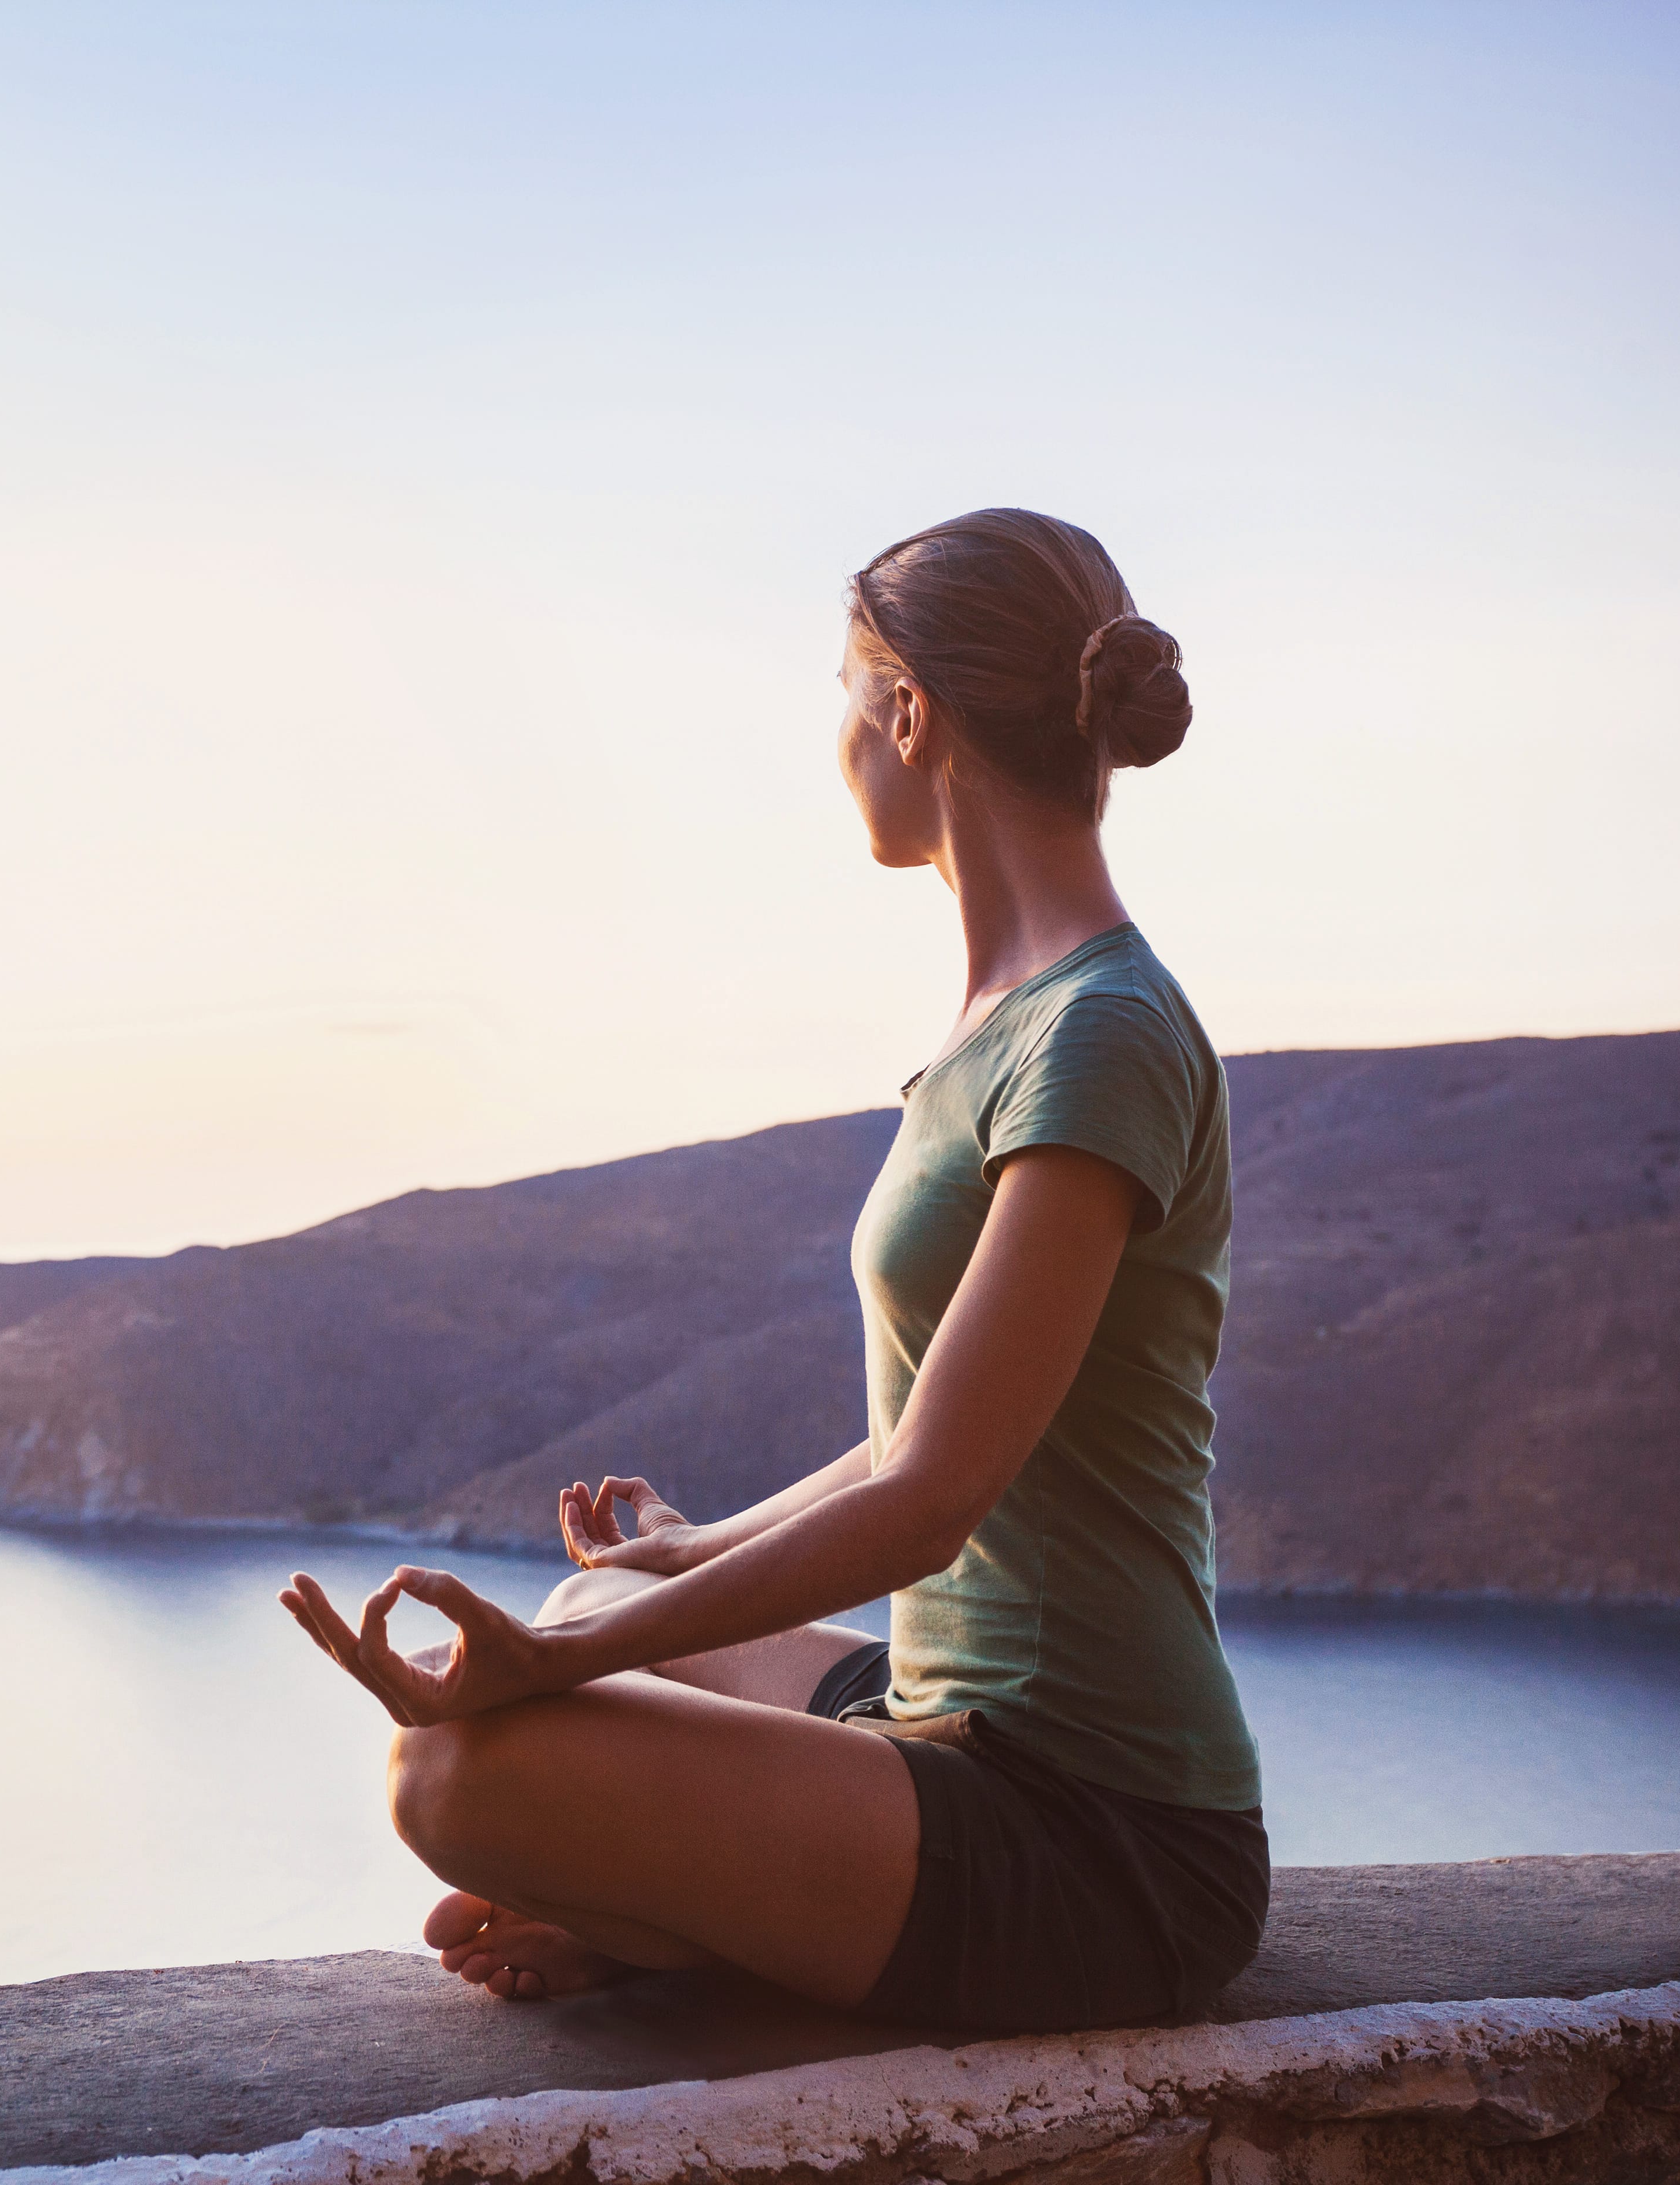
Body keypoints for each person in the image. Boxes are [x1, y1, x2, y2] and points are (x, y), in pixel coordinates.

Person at [281, 508, 1266, 2035]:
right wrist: (691, 1557)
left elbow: (936, 1496)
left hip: (1103, 1832)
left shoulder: (1102, 1036)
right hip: (941, 1723)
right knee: (602, 1591)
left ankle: (683, 1931)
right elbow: (942, 1433)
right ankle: (694, 1915)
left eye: (844, 687)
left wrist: (562, 1658)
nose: (841, 734)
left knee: (457, 1765)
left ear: (910, 713)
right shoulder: (1009, 1025)